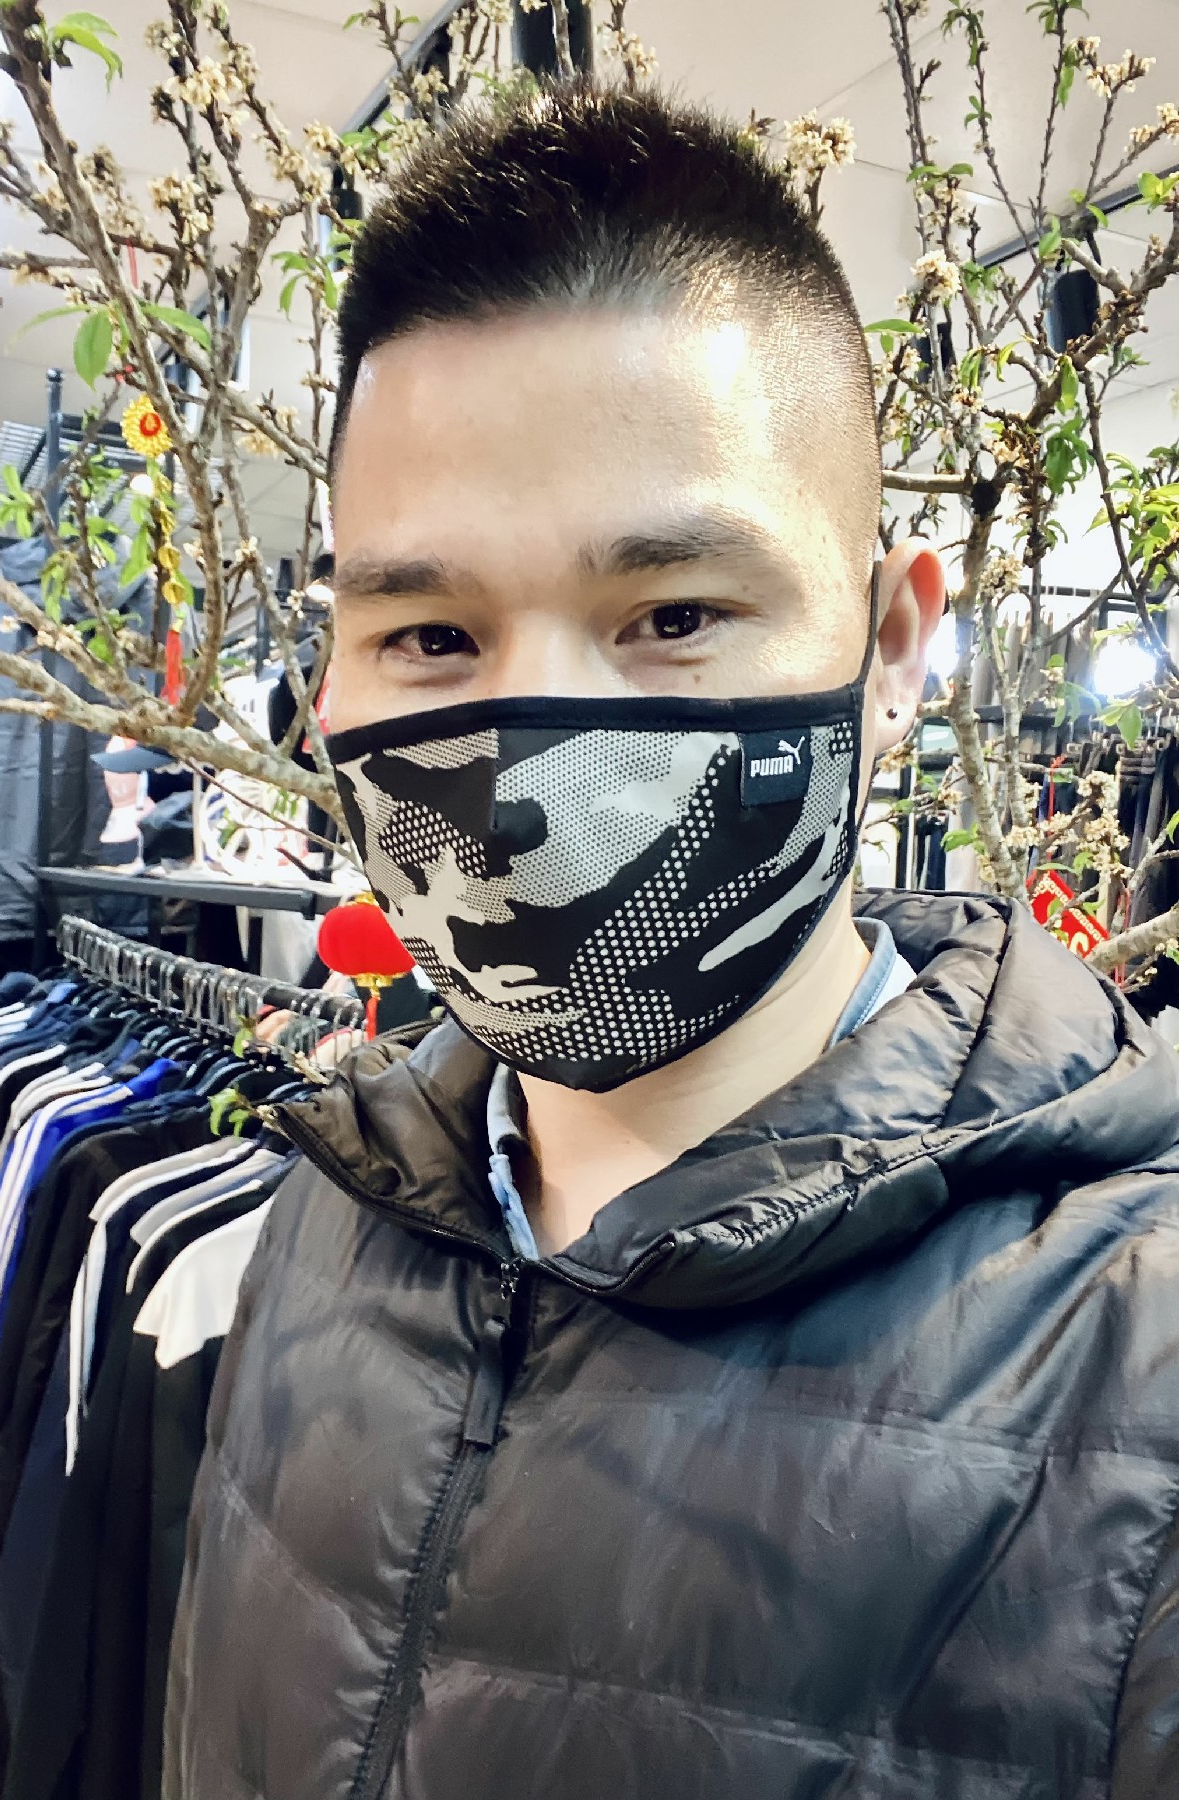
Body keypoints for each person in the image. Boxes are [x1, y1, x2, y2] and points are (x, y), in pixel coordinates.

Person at [165, 84, 1179, 1800]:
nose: (526, 767)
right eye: (429, 634)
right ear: (328, 675)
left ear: (889, 649)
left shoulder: (1136, 1371)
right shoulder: (331, 1213)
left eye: (674, 615)